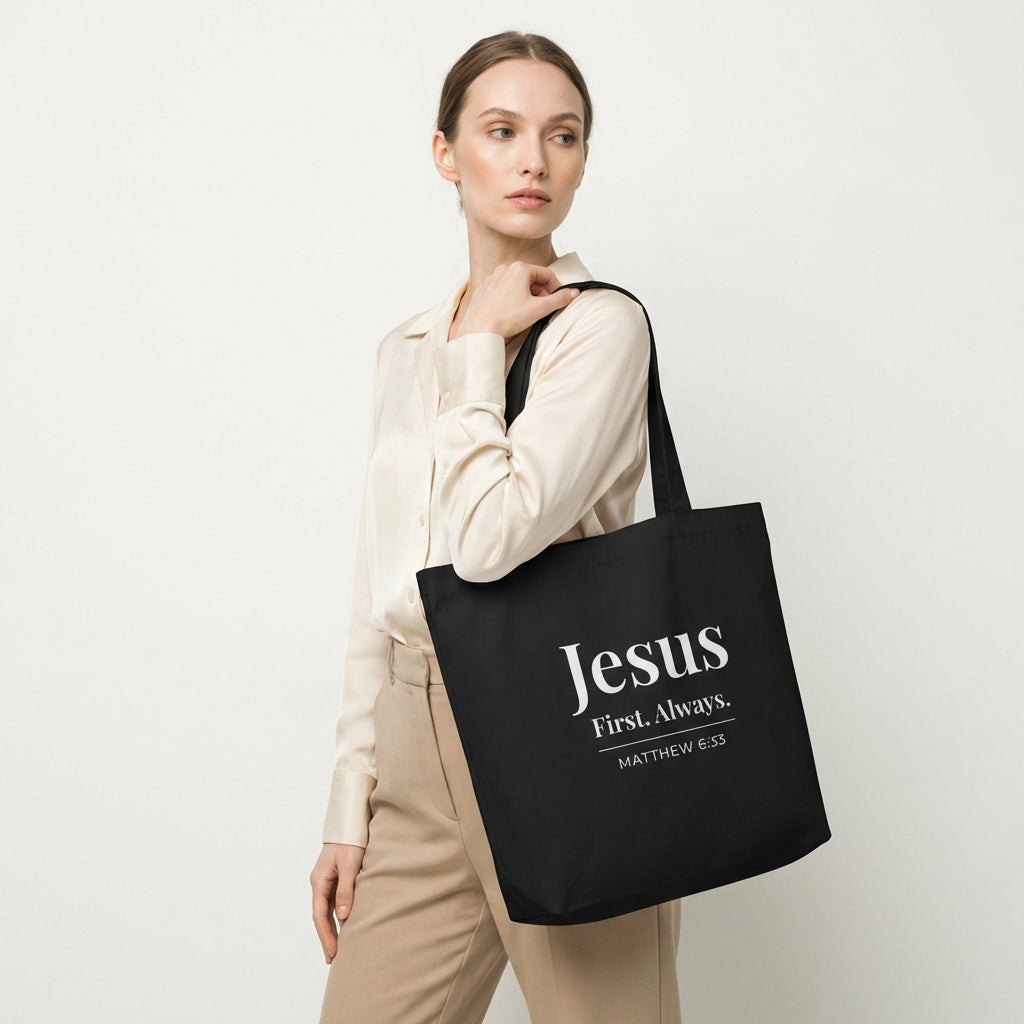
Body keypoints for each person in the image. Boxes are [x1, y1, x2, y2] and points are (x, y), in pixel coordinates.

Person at [310, 31, 682, 1024]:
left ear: (583, 161)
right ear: (445, 152)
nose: (532, 159)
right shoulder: (404, 348)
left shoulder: (598, 329)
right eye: (500, 130)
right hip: (415, 732)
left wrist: (478, 354)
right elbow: (378, 581)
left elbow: (487, 542)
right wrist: (352, 796)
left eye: (561, 136)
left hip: (562, 731)